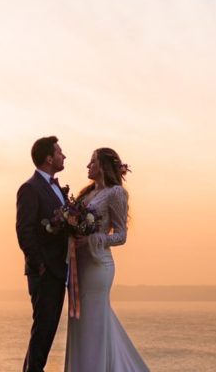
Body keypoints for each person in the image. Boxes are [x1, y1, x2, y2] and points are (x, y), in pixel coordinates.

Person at [64, 147, 148, 372]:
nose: (88, 166)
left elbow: (121, 236)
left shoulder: (116, 193)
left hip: (98, 265)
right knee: (79, 321)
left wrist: (92, 240)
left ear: (103, 166)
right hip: (78, 265)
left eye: (92, 161)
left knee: (93, 320)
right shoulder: (86, 194)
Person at [16, 136, 69, 372]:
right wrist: (40, 265)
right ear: (49, 158)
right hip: (45, 272)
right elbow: (24, 230)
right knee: (42, 332)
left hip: (58, 271)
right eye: (59, 152)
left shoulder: (57, 188)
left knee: (45, 335)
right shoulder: (30, 188)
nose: (63, 155)